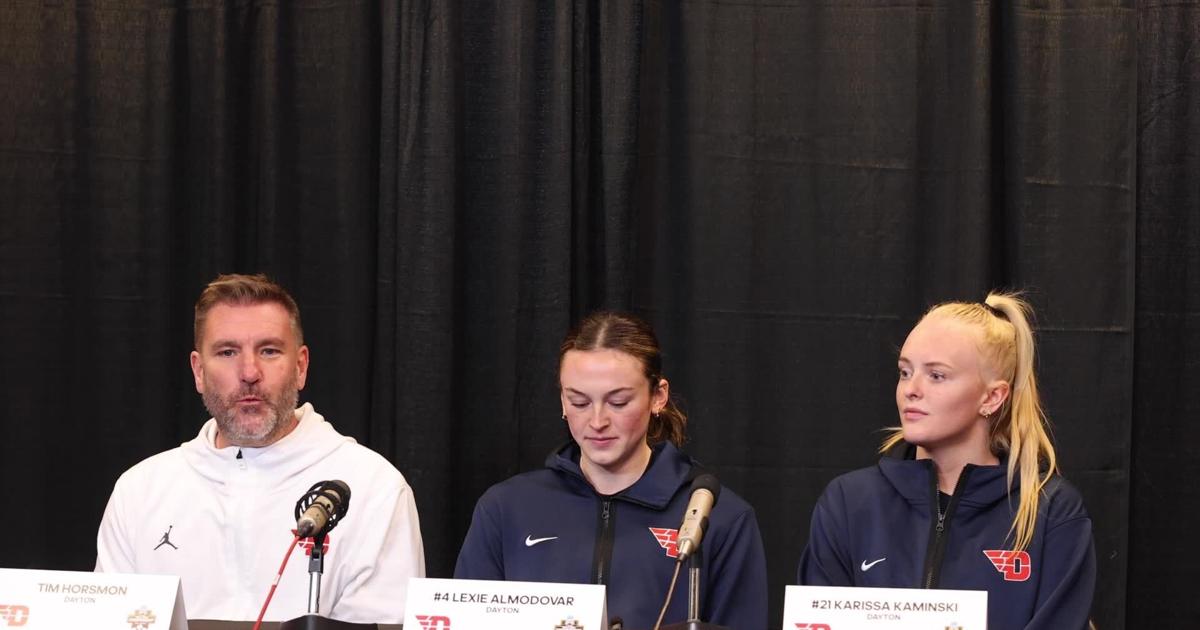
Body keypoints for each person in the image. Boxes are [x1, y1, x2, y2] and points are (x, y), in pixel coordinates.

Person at [96, 273, 425, 623]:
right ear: (198, 371)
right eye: (227, 352)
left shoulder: (375, 489)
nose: (249, 372)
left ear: (300, 367)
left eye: (269, 351)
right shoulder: (139, 492)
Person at [797, 293, 1096, 629]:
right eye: (905, 372)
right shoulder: (848, 503)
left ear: (992, 396)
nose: (911, 389)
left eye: (936, 375)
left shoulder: (1051, 511)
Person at [454, 311, 768, 630]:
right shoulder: (506, 509)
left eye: (618, 402)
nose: (598, 421)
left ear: (658, 397)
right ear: (562, 400)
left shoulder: (720, 517)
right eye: (579, 402)